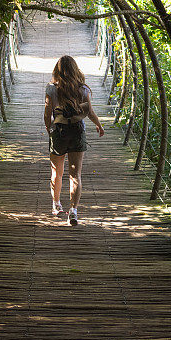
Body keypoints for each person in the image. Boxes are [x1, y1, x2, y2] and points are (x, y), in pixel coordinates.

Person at [44, 55, 104, 225]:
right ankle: (73, 211)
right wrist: (99, 125)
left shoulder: (51, 89)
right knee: (75, 174)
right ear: (75, 70)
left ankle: (56, 205)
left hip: (59, 132)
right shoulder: (82, 89)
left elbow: (47, 114)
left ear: (57, 70)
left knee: (57, 172)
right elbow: (90, 112)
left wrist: (50, 130)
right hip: (77, 131)